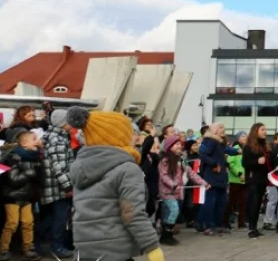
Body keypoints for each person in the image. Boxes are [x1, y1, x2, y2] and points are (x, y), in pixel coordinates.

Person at [65, 107, 163, 261]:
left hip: (85, 251)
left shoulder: (82, 166)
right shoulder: (126, 168)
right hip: (116, 252)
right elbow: (132, 213)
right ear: (116, 136)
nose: (134, 136)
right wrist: (152, 247)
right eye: (129, 132)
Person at [0, 131, 44, 261]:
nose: (38, 140)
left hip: (27, 196)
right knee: (12, 223)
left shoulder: (35, 157)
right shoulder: (15, 157)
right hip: (13, 196)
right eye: (34, 139)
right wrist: (30, 173)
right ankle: (3, 249)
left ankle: (28, 248)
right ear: (24, 143)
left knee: (28, 223)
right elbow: (13, 179)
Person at [158, 135, 208, 246]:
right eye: (176, 144)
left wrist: (203, 183)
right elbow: (163, 176)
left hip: (178, 192)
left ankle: (166, 235)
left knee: (171, 214)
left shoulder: (182, 159)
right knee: (173, 211)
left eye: (180, 144)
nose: (179, 146)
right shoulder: (165, 160)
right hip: (167, 191)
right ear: (169, 146)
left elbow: (191, 173)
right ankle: (166, 236)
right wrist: (173, 185)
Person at [39, 109, 75, 259]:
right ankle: (56, 246)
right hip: (58, 186)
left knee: (53, 216)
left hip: (54, 184)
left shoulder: (53, 136)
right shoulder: (58, 139)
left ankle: (34, 242)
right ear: (63, 123)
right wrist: (68, 186)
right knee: (59, 217)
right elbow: (59, 166)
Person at [196, 123, 230, 236]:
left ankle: (217, 224)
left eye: (223, 127)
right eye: (220, 127)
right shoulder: (210, 140)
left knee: (222, 201)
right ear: (214, 130)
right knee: (210, 201)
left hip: (220, 176)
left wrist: (237, 151)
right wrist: (214, 164)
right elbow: (203, 154)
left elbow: (226, 150)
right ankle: (206, 225)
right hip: (212, 175)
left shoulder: (219, 142)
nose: (223, 129)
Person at [242, 123, 271, 240]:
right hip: (253, 178)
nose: (265, 132)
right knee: (253, 203)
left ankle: (254, 227)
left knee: (258, 203)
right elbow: (245, 162)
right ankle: (251, 229)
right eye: (262, 129)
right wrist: (256, 161)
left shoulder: (264, 145)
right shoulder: (248, 146)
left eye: (265, 129)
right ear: (256, 131)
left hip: (262, 178)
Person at [224, 132, 247, 230]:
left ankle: (241, 223)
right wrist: (239, 173)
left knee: (243, 202)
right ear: (238, 138)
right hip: (235, 179)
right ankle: (225, 221)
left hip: (245, 179)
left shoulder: (247, 149)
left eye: (246, 136)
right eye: (242, 136)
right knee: (231, 202)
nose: (245, 137)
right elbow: (231, 163)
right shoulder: (235, 148)